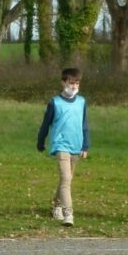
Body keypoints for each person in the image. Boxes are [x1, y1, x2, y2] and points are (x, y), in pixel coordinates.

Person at [36, 67, 89, 227]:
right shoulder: (55, 103)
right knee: (66, 178)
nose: (73, 86)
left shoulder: (81, 102)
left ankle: (57, 206)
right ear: (63, 82)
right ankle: (68, 214)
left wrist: (85, 146)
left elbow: (84, 125)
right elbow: (46, 124)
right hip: (61, 145)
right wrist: (40, 141)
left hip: (76, 145)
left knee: (66, 180)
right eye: (71, 82)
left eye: (77, 83)